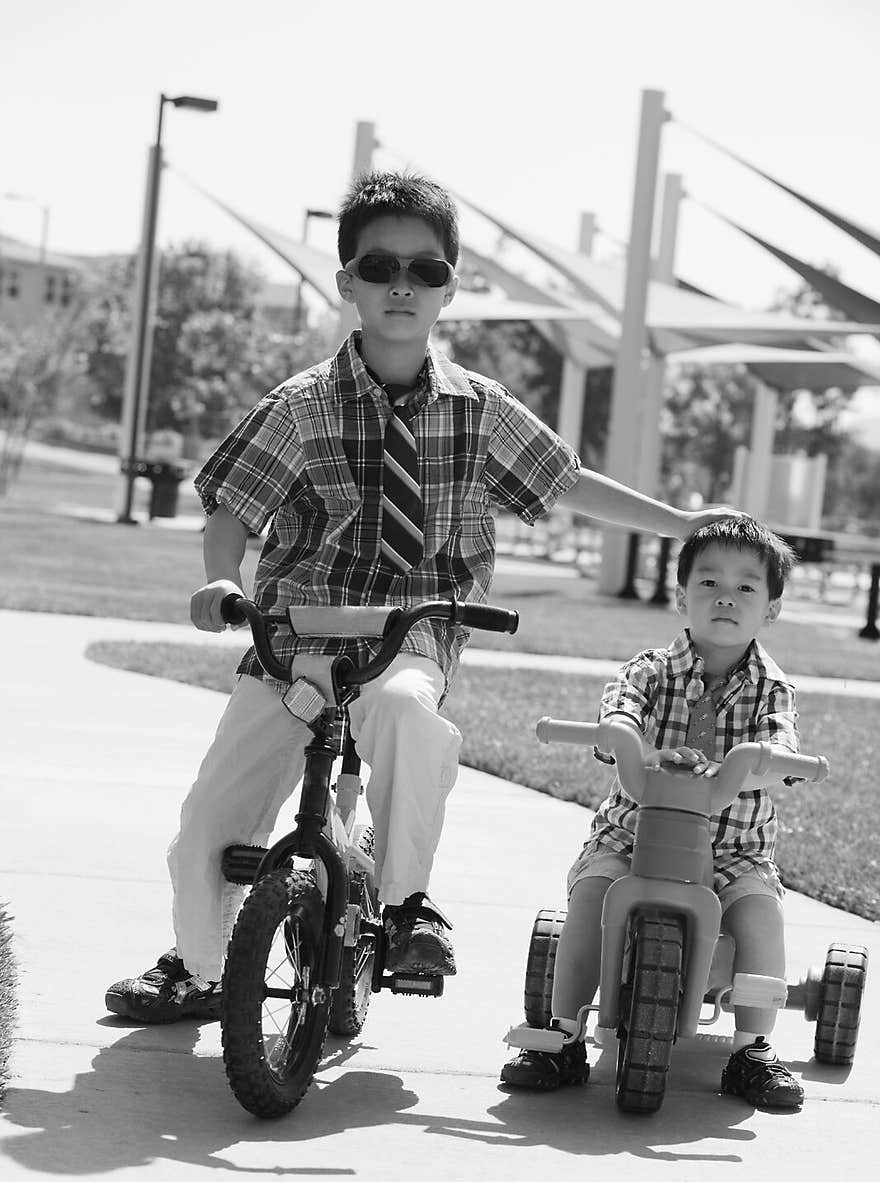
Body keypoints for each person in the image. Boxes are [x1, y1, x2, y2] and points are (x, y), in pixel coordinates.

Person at [105, 169, 738, 1024]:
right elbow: (231, 512)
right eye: (379, 266)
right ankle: (202, 967)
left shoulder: (479, 409)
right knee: (206, 825)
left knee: (405, 713)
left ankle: (408, 908)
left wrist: (679, 521)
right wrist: (221, 580)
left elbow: (567, 482)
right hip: (295, 637)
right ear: (347, 284)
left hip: (411, 633)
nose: (402, 284)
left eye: (426, 270)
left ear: (450, 288)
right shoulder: (300, 406)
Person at [501, 514, 807, 1110]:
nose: (726, 596)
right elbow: (620, 711)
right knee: (592, 894)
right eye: (708, 582)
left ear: (771, 609)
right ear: (680, 596)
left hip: (732, 849)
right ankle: (562, 1036)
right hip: (632, 837)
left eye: (747, 587)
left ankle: (752, 1049)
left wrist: (770, 761)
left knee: (760, 916)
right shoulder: (649, 671)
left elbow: (782, 747)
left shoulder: (773, 689)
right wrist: (625, 736)